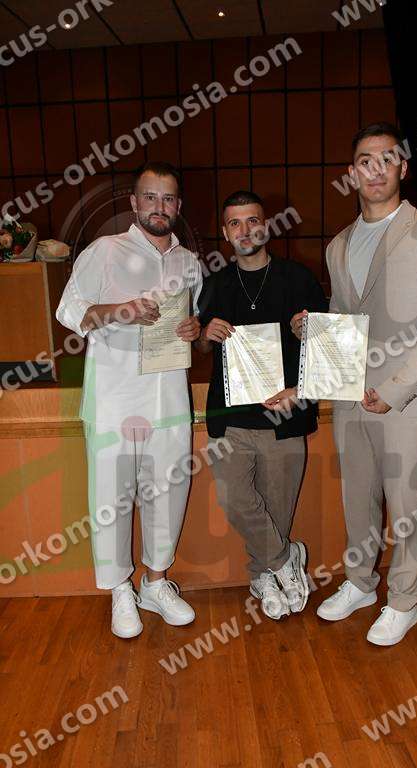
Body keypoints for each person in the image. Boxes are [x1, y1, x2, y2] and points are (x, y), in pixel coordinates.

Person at [309, 123, 417, 645]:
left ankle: (404, 600)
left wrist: (396, 389)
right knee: (357, 498)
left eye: (386, 158)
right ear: (351, 173)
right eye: (364, 160)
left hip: (403, 398)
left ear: (403, 167)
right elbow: (343, 316)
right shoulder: (338, 245)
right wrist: (314, 334)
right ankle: (359, 582)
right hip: (350, 395)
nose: (375, 169)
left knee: (406, 505)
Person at [56, 161, 202, 639]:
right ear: (134, 202)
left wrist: (194, 328)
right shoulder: (105, 251)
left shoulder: (188, 262)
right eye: (150, 197)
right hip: (115, 400)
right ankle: (120, 589)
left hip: (170, 398)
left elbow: (194, 320)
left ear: (178, 206)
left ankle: (156, 583)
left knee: (170, 490)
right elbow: (69, 310)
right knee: (112, 498)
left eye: (168, 198)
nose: (160, 206)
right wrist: (119, 310)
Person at [196, 191, 328, 619]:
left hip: (283, 416)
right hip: (229, 417)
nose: (245, 230)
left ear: (266, 225)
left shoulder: (298, 278)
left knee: (277, 509)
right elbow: (198, 345)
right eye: (235, 223)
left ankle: (262, 574)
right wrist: (205, 335)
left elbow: (327, 346)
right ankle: (286, 559)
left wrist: (305, 333)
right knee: (235, 500)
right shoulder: (214, 284)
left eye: (252, 220)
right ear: (225, 232)